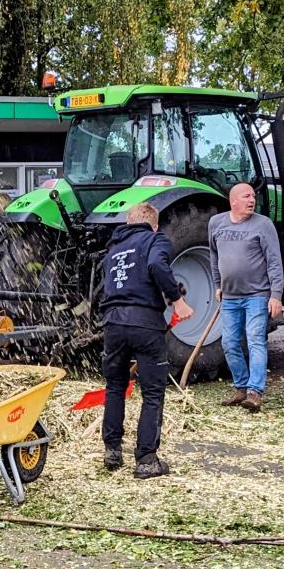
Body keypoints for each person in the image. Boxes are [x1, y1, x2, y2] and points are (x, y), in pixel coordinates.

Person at [99, 203, 193, 478]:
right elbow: (155, 265)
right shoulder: (156, 239)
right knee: (152, 392)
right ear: (154, 223)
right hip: (145, 323)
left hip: (112, 323)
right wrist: (177, 300)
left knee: (115, 386)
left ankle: (112, 450)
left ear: (129, 223)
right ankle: (146, 459)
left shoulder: (113, 249)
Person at [208, 183, 284, 412]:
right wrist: (218, 284)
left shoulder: (263, 225)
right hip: (230, 296)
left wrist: (276, 295)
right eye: (246, 196)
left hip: (257, 295)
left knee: (255, 340)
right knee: (229, 343)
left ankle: (255, 392)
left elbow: (274, 261)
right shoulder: (216, 223)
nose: (252, 200)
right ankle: (241, 388)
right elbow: (214, 255)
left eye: (253, 196)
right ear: (233, 201)